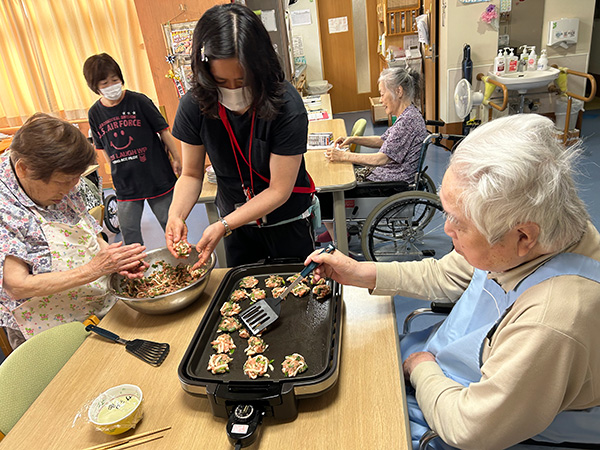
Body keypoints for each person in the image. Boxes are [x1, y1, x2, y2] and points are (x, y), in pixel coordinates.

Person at [306, 114, 600, 449]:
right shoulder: (535, 231)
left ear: (523, 236)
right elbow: (449, 273)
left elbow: (469, 427)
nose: (446, 231)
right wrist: (364, 273)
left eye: (458, 222)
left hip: (477, 416)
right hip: (452, 364)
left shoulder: (552, 322)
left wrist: (422, 369)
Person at [168, 3, 316, 267]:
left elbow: (279, 190)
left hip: (286, 220)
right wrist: (176, 215)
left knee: (298, 291)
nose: (233, 91)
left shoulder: (286, 105)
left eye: (243, 81)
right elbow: (191, 174)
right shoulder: (194, 104)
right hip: (236, 225)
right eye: (221, 82)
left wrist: (223, 225)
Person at [0, 114, 148, 349]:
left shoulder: (62, 176)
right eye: (63, 182)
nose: (72, 188)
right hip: (44, 325)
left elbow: (87, 229)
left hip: (91, 301)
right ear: (23, 169)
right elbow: (17, 286)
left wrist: (114, 259)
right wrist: (94, 269)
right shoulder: (5, 205)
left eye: (75, 179)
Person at [316, 67, 427, 243]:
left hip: (391, 183)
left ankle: (338, 237)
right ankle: (335, 228)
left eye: (383, 94)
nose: (381, 100)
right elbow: (383, 140)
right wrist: (353, 139)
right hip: (388, 175)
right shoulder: (409, 115)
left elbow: (380, 159)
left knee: (325, 190)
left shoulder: (407, 122)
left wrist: (343, 156)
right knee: (335, 175)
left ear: (398, 91)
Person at [83, 53, 182, 245]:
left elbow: (164, 131)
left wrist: (177, 158)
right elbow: (102, 146)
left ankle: (184, 264)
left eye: (115, 79)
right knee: (129, 232)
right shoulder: (95, 113)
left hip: (156, 175)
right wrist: (113, 170)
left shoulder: (139, 101)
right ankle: (137, 271)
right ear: (95, 87)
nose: (111, 85)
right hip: (125, 183)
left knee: (171, 225)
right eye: (104, 83)